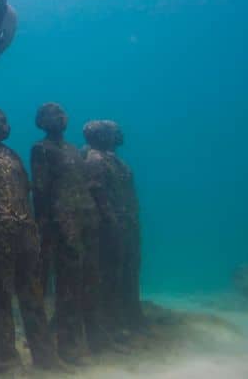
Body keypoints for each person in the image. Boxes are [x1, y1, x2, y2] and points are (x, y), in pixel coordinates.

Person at [0, 108, 58, 372]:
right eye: (2, 120)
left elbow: (25, 195)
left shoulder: (12, 155)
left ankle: (45, 356)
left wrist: (34, 232)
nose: (7, 124)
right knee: (0, 295)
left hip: (24, 232)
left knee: (33, 294)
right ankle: (6, 358)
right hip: (0, 233)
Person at [30, 103, 110, 364]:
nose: (62, 116)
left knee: (91, 280)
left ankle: (95, 338)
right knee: (69, 285)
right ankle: (68, 345)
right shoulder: (42, 149)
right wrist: (46, 225)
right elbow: (41, 192)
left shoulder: (75, 150)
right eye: (55, 113)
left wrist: (94, 216)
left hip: (86, 218)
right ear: (42, 121)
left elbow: (84, 185)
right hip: (64, 221)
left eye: (63, 112)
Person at [83, 120, 146, 338]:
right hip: (112, 227)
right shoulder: (95, 160)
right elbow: (98, 194)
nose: (119, 133)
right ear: (101, 135)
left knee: (129, 271)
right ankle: (110, 321)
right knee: (111, 273)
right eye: (113, 131)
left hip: (126, 224)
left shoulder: (115, 160)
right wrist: (111, 222)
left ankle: (130, 315)